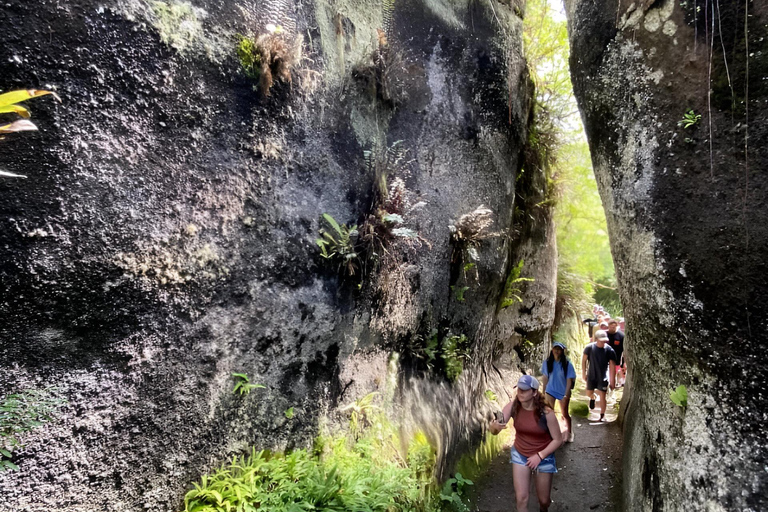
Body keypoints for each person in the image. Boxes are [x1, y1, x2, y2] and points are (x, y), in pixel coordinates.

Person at [490, 375, 563, 512]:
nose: (520, 393)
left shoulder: (546, 413)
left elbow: (558, 439)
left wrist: (539, 456)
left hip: (543, 456)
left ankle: (544, 508)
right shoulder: (513, 406)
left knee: (544, 500)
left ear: (534, 392)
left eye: (524, 390)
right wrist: (494, 427)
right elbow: (496, 427)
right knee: (521, 499)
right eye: (519, 390)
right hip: (520, 454)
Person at [540, 341, 577, 443]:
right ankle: (551, 435)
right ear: (552, 350)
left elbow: (569, 380)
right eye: (555, 349)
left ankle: (569, 433)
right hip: (550, 391)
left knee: (565, 413)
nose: (557, 351)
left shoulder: (567, 364)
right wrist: (543, 392)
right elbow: (545, 378)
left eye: (559, 349)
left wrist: (566, 393)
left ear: (562, 351)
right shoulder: (547, 363)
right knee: (549, 414)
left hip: (563, 391)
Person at [581, 330, 617, 421]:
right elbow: (584, 360)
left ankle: (602, 415)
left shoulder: (609, 350)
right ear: (596, 339)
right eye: (601, 340)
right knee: (589, 393)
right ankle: (593, 397)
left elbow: (612, 366)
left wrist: (613, 381)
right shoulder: (589, 348)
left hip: (603, 376)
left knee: (603, 395)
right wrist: (584, 373)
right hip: (591, 375)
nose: (603, 342)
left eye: (604, 340)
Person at [606, 320, 625, 385]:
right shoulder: (605, 335)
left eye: (614, 327)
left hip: (616, 358)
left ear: (616, 326)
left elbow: (623, 349)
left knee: (614, 372)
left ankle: (614, 383)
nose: (612, 328)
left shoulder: (621, 336)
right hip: (605, 358)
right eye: (610, 327)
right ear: (608, 326)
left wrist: (623, 361)